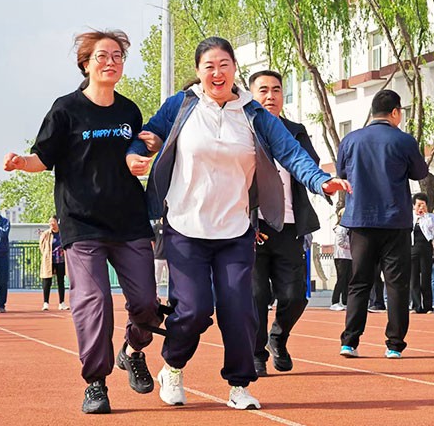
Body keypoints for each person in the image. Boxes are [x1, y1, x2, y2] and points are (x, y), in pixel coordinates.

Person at [127, 37, 351, 409]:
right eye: (209, 66)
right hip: (185, 226)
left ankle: (239, 385)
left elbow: (290, 152)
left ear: (234, 69)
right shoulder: (181, 106)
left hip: (235, 229)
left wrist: (320, 180)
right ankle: (173, 367)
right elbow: (147, 137)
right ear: (198, 72)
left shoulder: (253, 113)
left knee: (240, 309)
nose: (217, 73)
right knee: (194, 309)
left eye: (224, 65)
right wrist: (135, 155)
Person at [3, 29, 162, 415]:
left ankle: (132, 350)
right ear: (86, 63)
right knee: (94, 301)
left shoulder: (129, 111)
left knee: (146, 304)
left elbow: (135, 150)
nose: (111, 62)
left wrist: (143, 156)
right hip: (82, 223)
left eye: (118, 56)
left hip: (129, 220)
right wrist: (22, 163)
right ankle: (96, 383)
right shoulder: (66, 110)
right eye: (102, 56)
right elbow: (43, 158)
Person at [337, 89, 428, 360]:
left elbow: (342, 173)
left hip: (360, 220)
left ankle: (349, 342)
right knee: (396, 284)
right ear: (395, 112)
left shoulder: (351, 140)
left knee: (359, 282)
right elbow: (420, 172)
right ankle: (394, 344)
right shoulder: (404, 140)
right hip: (394, 221)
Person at [247, 70, 323, 377]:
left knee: (294, 296)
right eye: (263, 90)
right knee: (255, 296)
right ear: (251, 96)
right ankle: (255, 354)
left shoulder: (295, 131)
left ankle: (278, 337)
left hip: (290, 226)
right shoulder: (243, 130)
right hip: (252, 227)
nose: (270, 96)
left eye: (276, 90)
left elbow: (310, 165)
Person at [410, 193, 434, 314]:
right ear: (413, 205)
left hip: (426, 249)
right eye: (418, 205)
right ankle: (416, 306)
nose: (420, 207)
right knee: (413, 278)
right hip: (412, 249)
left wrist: (425, 214)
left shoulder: (430, 216)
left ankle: (428, 306)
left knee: (426, 277)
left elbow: (431, 226)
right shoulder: (410, 216)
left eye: (423, 204)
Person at [39, 215, 69, 311]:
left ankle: (62, 303)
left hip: (60, 260)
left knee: (61, 281)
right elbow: (41, 247)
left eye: (53, 221)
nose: (51, 223)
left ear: (57, 222)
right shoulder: (46, 234)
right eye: (50, 222)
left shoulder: (63, 233)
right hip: (49, 260)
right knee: (47, 281)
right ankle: (46, 303)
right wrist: (46, 254)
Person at [331, 208, 351, 312]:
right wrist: (352, 246)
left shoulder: (347, 227)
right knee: (341, 279)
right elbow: (340, 242)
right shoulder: (341, 228)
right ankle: (334, 302)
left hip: (348, 256)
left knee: (347, 279)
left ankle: (345, 301)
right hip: (341, 257)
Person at [152, 218, 168, 289]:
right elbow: (152, 241)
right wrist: (155, 250)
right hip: (158, 256)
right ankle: (156, 295)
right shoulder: (156, 227)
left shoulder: (169, 227)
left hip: (168, 257)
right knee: (156, 279)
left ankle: (169, 295)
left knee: (170, 279)